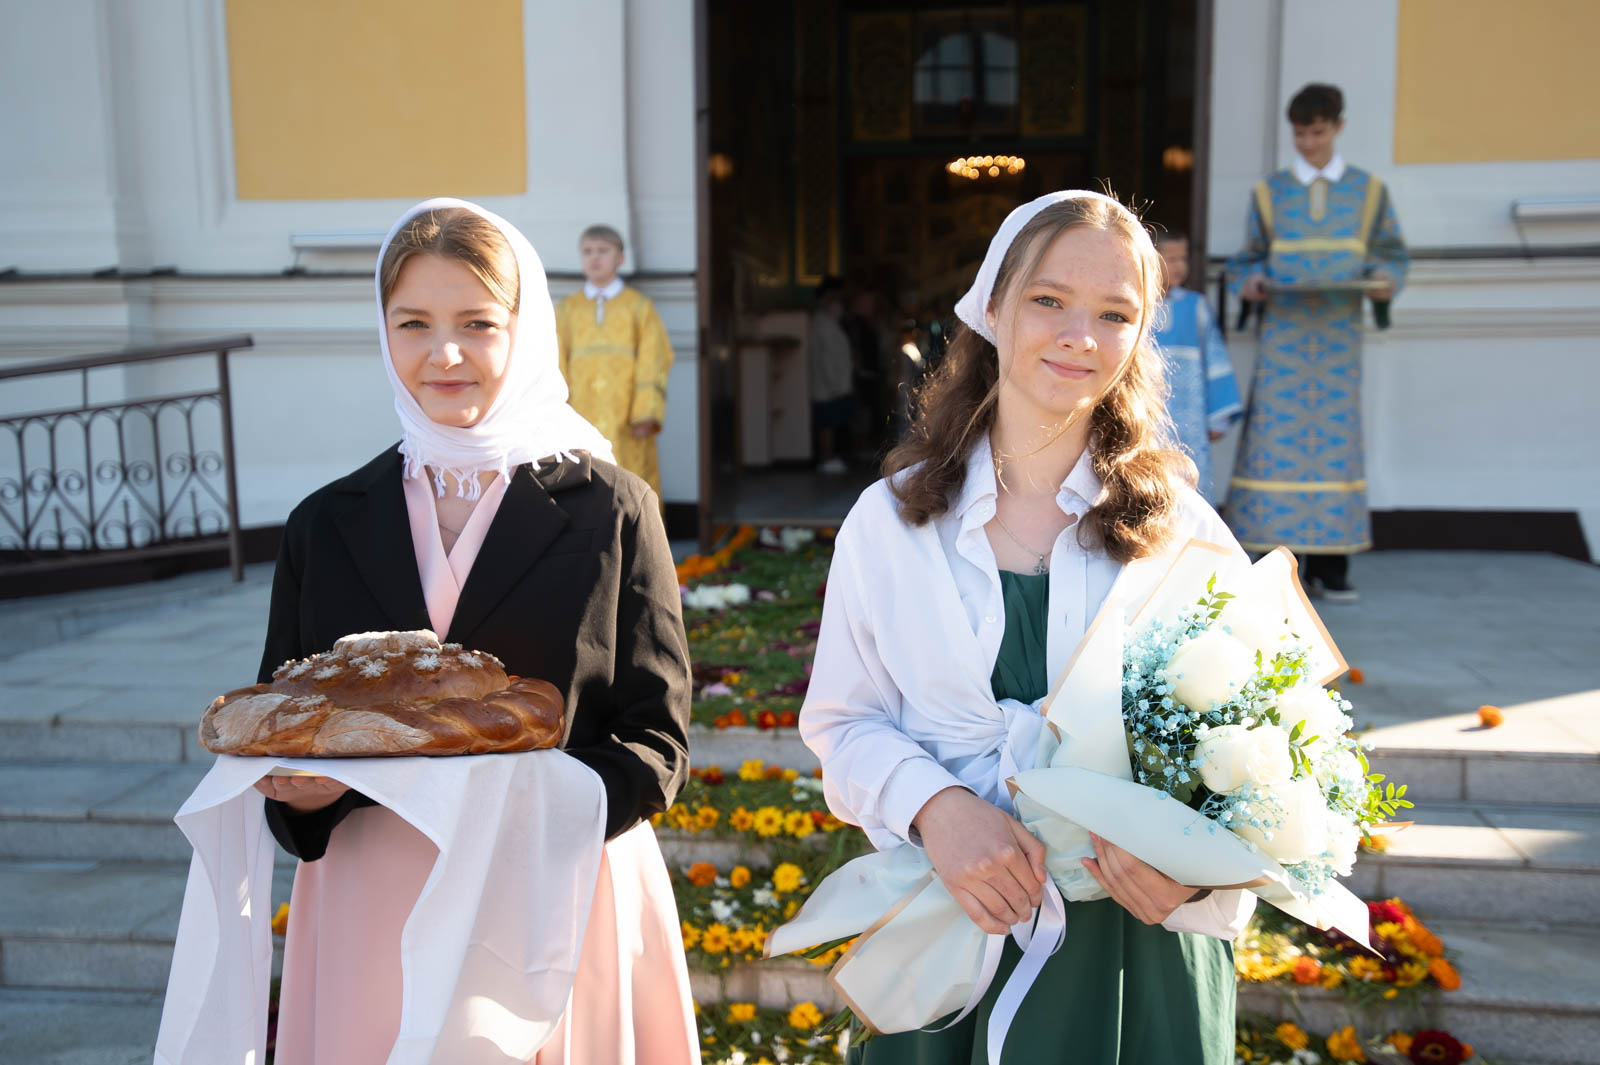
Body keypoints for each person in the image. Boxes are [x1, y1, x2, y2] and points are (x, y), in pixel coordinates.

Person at [800, 191, 1255, 1065]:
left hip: (1136, 946)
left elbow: (1256, 738)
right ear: (991, 306)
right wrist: (936, 808)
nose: (1080, 335)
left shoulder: (1183, 531)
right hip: (957, 917)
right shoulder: (890, 523)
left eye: (1115, 313)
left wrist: (1194, 866)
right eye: (1049, 299)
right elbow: (843, 719)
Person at [253, 199, 696, 1064]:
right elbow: (284, 724)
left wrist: (536, 801)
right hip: (376, 905)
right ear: (383, 330)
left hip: (555, 898)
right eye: (413, 322)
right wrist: (299, 791)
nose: (444, 353)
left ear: (524, 330)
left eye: (477, 324)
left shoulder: (611, 510)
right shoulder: (324, 523)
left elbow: (657, 739)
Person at [1228, 82, 1408, 601]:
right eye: (1301, 134)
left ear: (1338, 127)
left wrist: (1384, 279)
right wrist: (1250, 281)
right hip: (1283, 342)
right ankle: (1274, 565)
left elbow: (1391, 254)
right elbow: (1248, 258)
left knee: (1335, 448)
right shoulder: (1270, 192)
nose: (1308, 143)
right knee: (1274, 444)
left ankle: (1330, 568)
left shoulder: (1369, 192)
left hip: (1337, 343)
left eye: (1318, 132)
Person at [555, 224, 674, 500]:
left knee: (631, 484)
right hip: (579, 414)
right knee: (582, 482)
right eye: (587, 251)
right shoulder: (566, 309)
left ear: (620, 257)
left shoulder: (639, 307)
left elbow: (654, 358)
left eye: (603, 250)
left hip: (627, 419)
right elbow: (555, 360)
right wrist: (558, 411)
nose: (594, 257)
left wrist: (646, 411)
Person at [1153, 230, 1243, 500]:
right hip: (1146, 415)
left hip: (1189, 421)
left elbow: (1215, 359)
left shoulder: (1196, 307)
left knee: (1191, 485)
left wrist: (1218, 417)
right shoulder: (1132, 306)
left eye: (1183, 258)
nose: (1179, 266)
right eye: (1171, 259)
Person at [808, 275, 856, 474]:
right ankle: (826, 458)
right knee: (826, 423)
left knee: (831, 421)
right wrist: (835, 384)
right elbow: (826, 358)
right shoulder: (822, 324)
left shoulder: (829, 322)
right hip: (827, 384)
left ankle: (830, 457)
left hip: (833, 383)